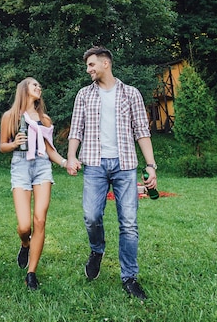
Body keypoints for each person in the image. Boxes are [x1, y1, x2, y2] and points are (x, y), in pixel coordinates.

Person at [66, 46, 158, 301]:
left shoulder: (131, 94)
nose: (89, 70)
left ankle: (129, 277)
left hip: (125, 165)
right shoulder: (84, 95)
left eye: (92, 64)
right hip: (94, 164)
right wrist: (72, 156)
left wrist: (150, 166)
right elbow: (76, 129)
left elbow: (142, 131)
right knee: (91, 215)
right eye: (87, 66)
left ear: (106, 64)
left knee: (128, 223)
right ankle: (97, 250)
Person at [0, 77, 68, 290]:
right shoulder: (10, 117)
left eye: (40, 85)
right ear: (24, 90)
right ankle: (25, 243)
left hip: (42, 167)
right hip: (20, 166)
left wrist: (66, 163)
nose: (38, 87)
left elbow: (49, 150)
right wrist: (13, 144)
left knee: (39, 220)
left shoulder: (44, 119)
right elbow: (1, 146)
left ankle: (31, 273)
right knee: (24, 226)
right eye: (34, 85)